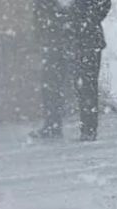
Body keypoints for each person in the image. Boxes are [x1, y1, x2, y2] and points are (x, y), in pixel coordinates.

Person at [31, 0, 111, 141]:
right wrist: (45, 26)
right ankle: (53, 125)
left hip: (85, 39)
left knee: (86, 85)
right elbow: (40, 6)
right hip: (57, 37)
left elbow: (103, 4)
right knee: (51, 83)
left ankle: (88, 129)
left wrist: (83, 22)